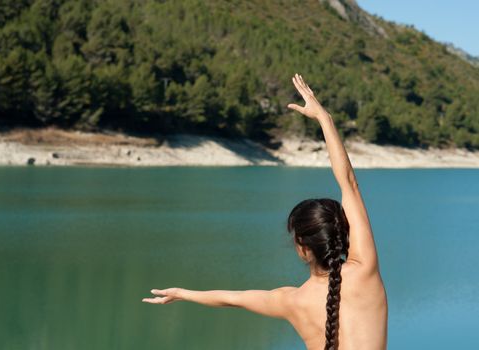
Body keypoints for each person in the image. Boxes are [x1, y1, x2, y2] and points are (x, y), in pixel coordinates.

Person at [142, 74, 388, 350]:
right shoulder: (364, 270)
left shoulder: (291, 301)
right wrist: (324, 118)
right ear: (343, 235)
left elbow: (233, 298)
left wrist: (183, 293)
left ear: (302, 248)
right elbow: (349, 183)